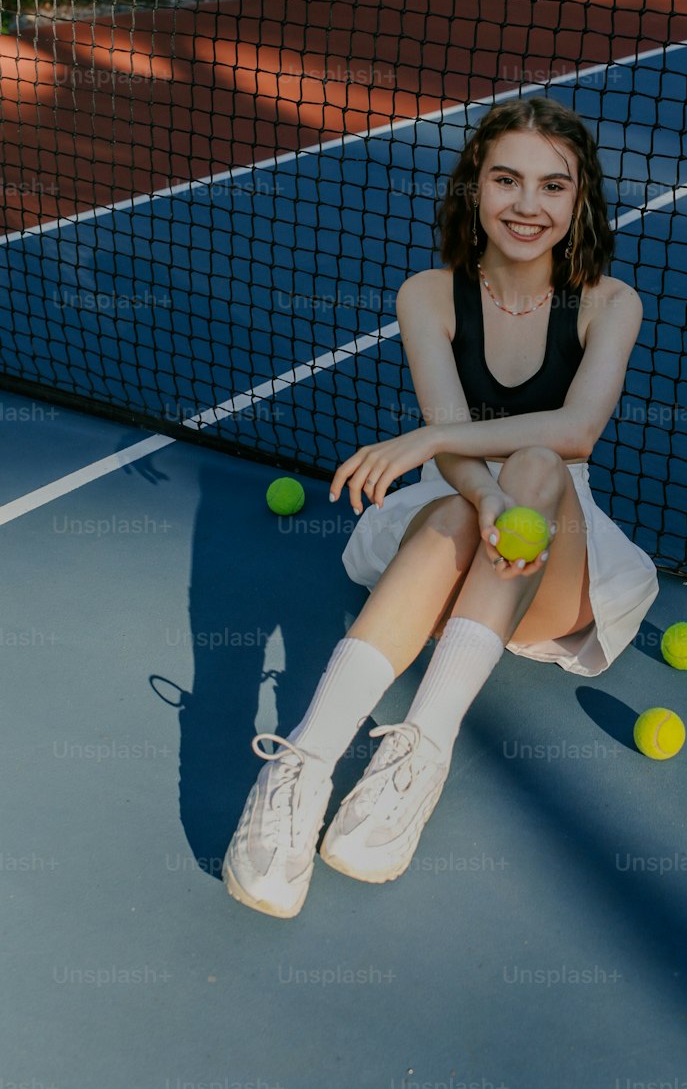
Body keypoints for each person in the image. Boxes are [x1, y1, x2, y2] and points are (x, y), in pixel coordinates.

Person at [223, 97, 660, 917]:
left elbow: (578, 431)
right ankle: (301, 768)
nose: (527, 206)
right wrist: (479, 487)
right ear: (473, 189)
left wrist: (428, 442)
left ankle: (419, 756)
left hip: (552, 561)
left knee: (534, 462)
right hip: (454, 517)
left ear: (580, 202)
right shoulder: (428, 294)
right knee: (472, 505)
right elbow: (461, 454)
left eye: (552, 186)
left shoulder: (611, 303)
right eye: (506, 180)